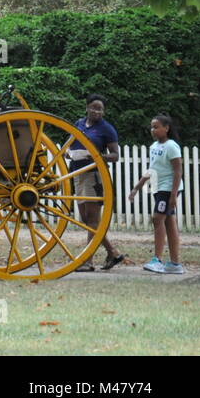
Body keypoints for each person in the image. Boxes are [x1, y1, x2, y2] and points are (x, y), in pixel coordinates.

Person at [68, 94, 125, 271]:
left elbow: (115, 155)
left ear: (104, 111)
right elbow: (68, 145)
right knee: (86, 219)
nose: (96, 111)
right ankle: (113, 253)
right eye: (93, 107)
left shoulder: (107, 129)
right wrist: (68, 153)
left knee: (92, 219)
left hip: (94, 175)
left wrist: (98, 156)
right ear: (86, 107)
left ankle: (87, 261)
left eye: (100, 109)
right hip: (77, 173)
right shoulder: (78, 124)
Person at [129, 114, 186, 274]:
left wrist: (173, 195)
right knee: (169, 222)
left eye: (156, 127)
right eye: (151, 127)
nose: (153, 130)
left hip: (168, 188)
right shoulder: (154, 146)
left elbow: (177, 171)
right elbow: (151, 170)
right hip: (158, 187)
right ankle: (175, 264)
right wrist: (136, 188)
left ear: (166, 128)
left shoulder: (171, 146)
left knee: (157, 218)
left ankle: (157, 260)